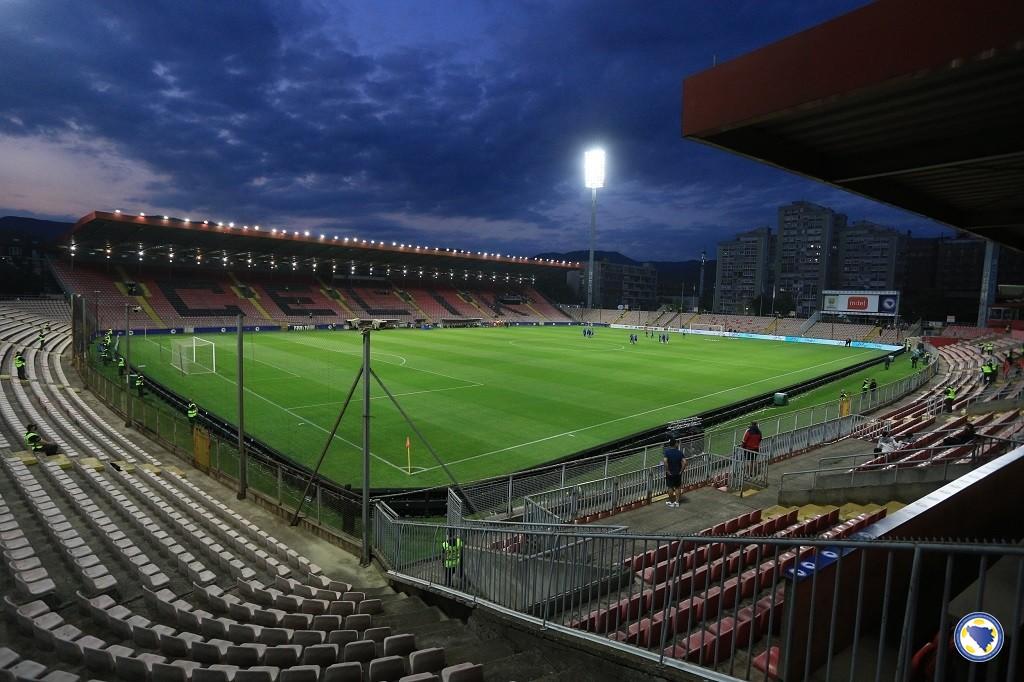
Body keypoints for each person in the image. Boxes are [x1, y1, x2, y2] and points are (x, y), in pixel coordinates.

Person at [662, 439, 686, 508]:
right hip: (678, 473)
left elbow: (665, 461)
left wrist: (667, 470)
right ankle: (677, 502)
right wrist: (681, 471)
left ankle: (670, 501)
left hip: (670, 473)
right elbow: (685, 462)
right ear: (675, 444)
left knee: (670, 487)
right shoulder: (679, 452)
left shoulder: (667, 452)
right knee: (678, 487)